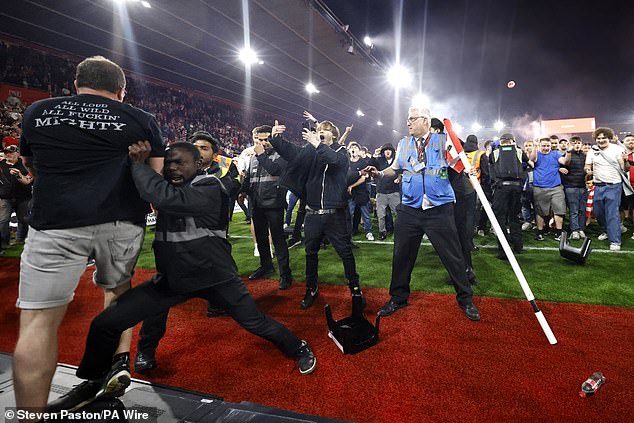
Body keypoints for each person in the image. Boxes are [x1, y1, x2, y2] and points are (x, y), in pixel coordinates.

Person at [47, 142, 316, 412]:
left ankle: (298, 346)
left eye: (180, 162)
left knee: (255, 321)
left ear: (198, 164)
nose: (173, 167)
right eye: (169, 162)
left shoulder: (210, 185)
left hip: (215, 277)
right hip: (173, 280)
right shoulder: (168, 185)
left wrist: (139, 166)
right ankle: (96, 379)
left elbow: (167, 198)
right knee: (106, 323)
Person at [13, 56, 165, 412]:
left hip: (55, 221)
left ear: (76, 84)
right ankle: (117, 362)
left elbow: (31, 164)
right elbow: (154, 180)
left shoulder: (38, 110)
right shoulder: (140, 119)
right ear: (121, 90)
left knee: (38, 322)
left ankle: (28, 417)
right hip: (120, 220)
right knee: (117, 291)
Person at [134, 131, 240, 373]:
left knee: (241, 305)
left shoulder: (220, 176)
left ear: (214, 155)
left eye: (203, 148)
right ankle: (145, 351)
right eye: (194, 147)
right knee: (157, 304)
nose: (197, 151)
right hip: (175, 254)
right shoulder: (172, 175)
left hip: (208, 254)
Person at [365, 107, 481, 321]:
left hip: (439, 208)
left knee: (452, 255)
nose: (408, 123)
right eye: (407, 119)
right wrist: (380, 172)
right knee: (401, 255)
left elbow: (458, 164)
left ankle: (465, 299)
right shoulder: (403, 143)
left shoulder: (443, 140)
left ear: (425, 121)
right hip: (410, 207)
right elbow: (395, 168)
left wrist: (468, 170)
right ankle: (398, 297)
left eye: (412, 119)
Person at [269, 119, 364, 310]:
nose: (320, 131)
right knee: (310, 253)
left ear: (334, 136)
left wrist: (317, 144)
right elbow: (291, 152)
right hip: (312, 213)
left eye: (325, 130)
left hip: (334, 213)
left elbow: (335, 161)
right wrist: (276, 138)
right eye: (319, 129)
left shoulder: (341, 151)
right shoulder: (310, 150)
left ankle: (355, 290)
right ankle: (311, 289)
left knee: (345, 252)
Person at [242, 125, 293, 289]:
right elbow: (250, 177)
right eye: (259, 139)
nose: (263, 143)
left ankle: (285, 274)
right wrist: (243, 189)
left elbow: (275, 170)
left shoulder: (281, 153)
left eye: (266, 139)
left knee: (278, 240)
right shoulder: (253, 156)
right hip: (256, 203)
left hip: (274, 203)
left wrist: (261, 154)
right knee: (261, 238)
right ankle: (266, 266)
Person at [489, 133, 530, 259]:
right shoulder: (519, 151)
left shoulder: (495, 153)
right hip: (516, 187)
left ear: (501, 142)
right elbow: (528, 162)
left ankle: (503, 251)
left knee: (500, 219)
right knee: (514, 217)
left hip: (501, 188)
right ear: (513, 141)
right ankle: (518, 246)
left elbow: (491, 165)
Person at [584, 127, 627, 250]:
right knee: (598, 213)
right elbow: (587, 165)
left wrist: (625, 161)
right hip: (598, 185)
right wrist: (588, 170)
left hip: (614, 185)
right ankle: (608, 230)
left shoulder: (617, 149)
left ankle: (615, 241)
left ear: (609, 138)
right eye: (598, 138)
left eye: (604, 138)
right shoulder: (592, 150)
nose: (601, 140)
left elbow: (624, 168)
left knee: (612, 213)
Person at [528, 138, 571, 241]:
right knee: (540, 212)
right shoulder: (536, 153)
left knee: (559, 210)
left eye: (548, 146)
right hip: (539, 187)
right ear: (540, 145)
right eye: (544, 146)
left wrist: (569, 151)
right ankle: (540, 232)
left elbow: (565, 162)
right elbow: (532, 159)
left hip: (556, 187)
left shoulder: (555, 154)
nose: (546, 148)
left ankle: (558, 233)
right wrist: (535, 147)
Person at [0, 145, 32, 253]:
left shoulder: (25, 164)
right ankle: (4, 244)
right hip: (5, 197)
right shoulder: (1, 164)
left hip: (23, 197)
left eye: (11, 152)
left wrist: (18, 175)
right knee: (3, 221)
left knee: (24, 220)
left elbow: (27, 181)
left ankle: (21, 240)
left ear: (17, 153)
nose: (8, 154)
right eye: (6, 152)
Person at [369, 143, 400, 240]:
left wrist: (399, 177)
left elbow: (401, 171)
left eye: (389, 150)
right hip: (381, 192)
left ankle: (399, 232)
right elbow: (369, 165)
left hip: (394, 192)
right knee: (381, 215)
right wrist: (374, 155)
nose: (387, 151)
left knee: (397, 214)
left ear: (392, 151)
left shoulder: (396, 161)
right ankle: (382, 232)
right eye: (385, 150)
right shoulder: (378, 160)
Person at [560, 136, 588, 239]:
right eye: (574, 143)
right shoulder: (566, 155)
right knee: (574, 210)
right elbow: (564, 164)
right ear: (570, 144)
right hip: (570, 186)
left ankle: (581, 229)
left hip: (583, 186)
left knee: (582, 210)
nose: (577, 145)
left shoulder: (585, 156)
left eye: (579, 143)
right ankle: (574, 230)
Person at [346, 141, 374, 241]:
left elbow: (363, 178)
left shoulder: (363, 163)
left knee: (365, 214)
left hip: (361, 192)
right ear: (349, 150)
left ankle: (369, 231)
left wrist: (352, 186)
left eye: (355, 147)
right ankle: (348, 233)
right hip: (349, 194)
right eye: (351, 147)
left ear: (359, 150)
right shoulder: (346, 162)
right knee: (350, 214)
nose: (353, 149)